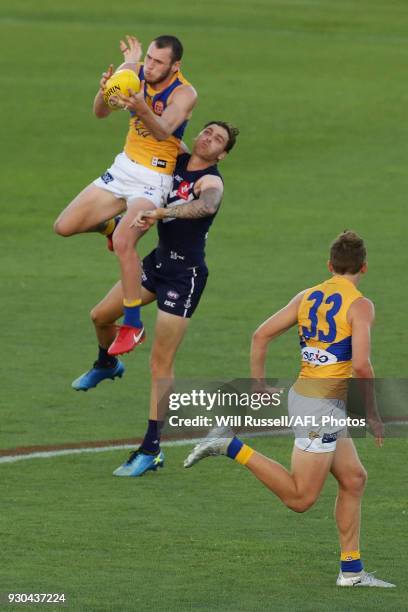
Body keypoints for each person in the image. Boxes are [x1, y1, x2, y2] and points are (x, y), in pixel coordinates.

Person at [184, 231, 395, 588]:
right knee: (300, 499)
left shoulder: (307, 296)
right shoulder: (360, 306)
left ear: (330, 266)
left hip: (309, 396)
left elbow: (260, 335)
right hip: (322, 408)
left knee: (354, 479)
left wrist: (258, 384)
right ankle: (229, 445)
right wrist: (372, 412)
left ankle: (351, 571)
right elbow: (361, 366)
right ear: (364, 267)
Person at [71, 121, 240, 477]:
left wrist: (165, 212)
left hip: (185, 277)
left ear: (222, 154)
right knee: (100, 316)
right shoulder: (175, 158)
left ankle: (151, 449)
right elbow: (154, 130)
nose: (209, 138)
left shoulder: (210, 181)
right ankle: (107, 364)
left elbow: (207, 206)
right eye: (207, 132)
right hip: (157, 264)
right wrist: (131, 99)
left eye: (218, 139)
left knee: (159, 365)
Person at [54, 35, 198, 356]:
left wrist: (139, 106)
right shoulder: (135, 74)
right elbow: (100, 113)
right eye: (148, 58)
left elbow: (163, 129)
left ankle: (133, 325)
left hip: (154, 179)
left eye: (159, 62)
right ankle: (109, 225)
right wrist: (107, 90)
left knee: (124, 242)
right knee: (64, 226)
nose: (150, 65)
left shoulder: (185, 93)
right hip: (124, 168)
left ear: (176, 66)